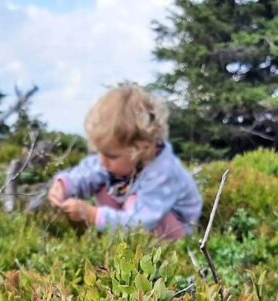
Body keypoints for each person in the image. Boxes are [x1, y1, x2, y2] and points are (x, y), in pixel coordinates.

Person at [48, 85, 202, 241]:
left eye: (111, 156)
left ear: (143, 148)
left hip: (173, 228)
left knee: (132, 203)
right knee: (102, 183)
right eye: (99, 152)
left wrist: (94, 216)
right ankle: (115, 236)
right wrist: (64, 185)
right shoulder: (115, 159)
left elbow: (144, 221)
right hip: (131, 215)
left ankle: (127, 242)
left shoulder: (164, 172)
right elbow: (89, 172)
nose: (103, 161)